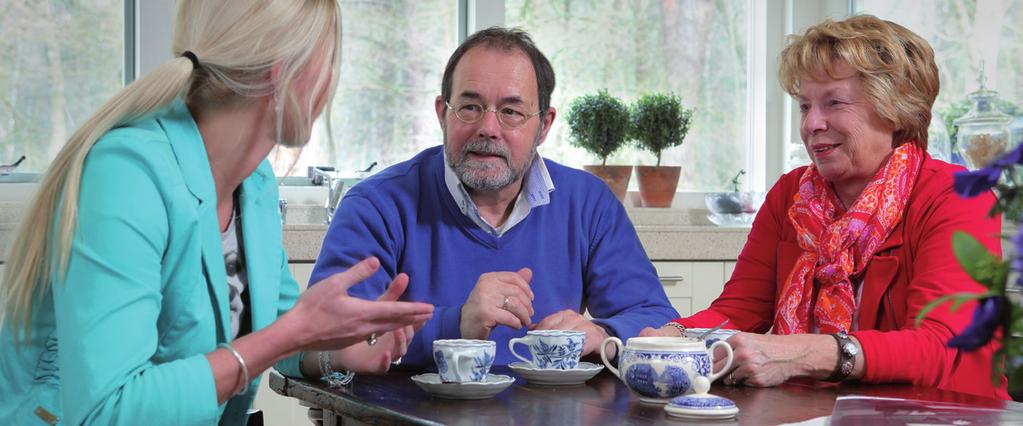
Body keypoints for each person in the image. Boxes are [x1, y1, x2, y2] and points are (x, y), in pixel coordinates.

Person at [0, 1, 434, 424]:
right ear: (283, 74)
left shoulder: (255, 183)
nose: (332, 85)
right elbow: (108, 412)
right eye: (329, 62)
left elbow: (282, 329)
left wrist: (339, 347)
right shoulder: (126, 176)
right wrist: (292, 334)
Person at [642, 15, 1008, 400]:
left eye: (833, 102)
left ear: (896, 110)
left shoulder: (955, 196)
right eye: (804, 106)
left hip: (944, 413)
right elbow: (739, 308)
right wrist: (675, 335)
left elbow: (939, 346)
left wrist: (805, 352)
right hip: (821, 409)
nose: (812, 123)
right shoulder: (790, 194)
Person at [310, 27, 677, 368]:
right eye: (470, 107)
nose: (488, 128)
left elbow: (656, 318)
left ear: (544, 125)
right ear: (443, 114)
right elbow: (320, 340)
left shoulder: (588, 204)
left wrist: (602, 333)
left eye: (511, 112)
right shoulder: (376, 206)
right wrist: (456, 322)